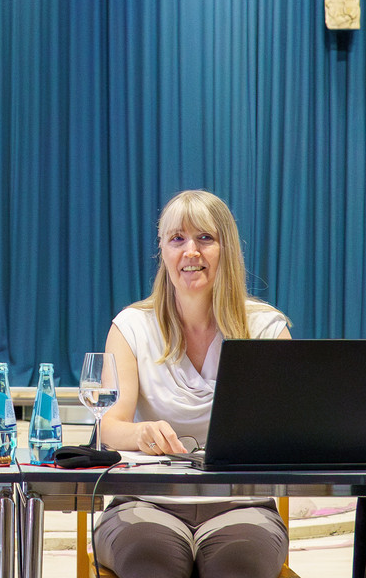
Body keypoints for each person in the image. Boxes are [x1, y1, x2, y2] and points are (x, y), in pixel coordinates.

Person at [93, 189, 292, 578]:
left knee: (237, 568)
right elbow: (108, 426)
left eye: (205, 238)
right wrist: (140, 432)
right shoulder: (132, 327)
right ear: (163, 252)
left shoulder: (266, 328)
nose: (191, 252)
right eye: (177, 239)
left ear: (227, 249)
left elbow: (291, 432)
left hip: (243, 506)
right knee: (153, 565)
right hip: (144, 504)